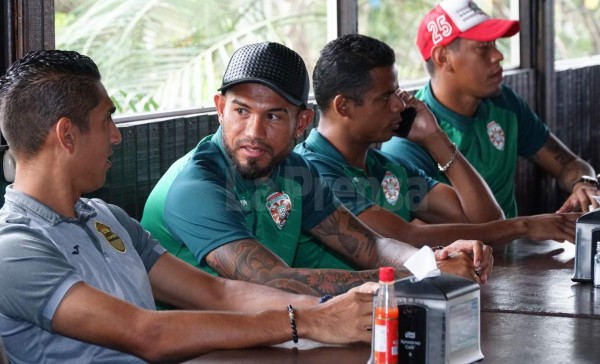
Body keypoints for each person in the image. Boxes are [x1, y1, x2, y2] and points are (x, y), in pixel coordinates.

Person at [0, 49, 381, 363]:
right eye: (106, 120)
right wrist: (305, 322)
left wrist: (331, 311)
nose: (116, 136)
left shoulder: (107, 218)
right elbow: (146, 332)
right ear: (67, 135)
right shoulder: (14, 249)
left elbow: (220, 294)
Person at [141, 41, 493, 298]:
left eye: (274, 116)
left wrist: (432, 260)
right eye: (241, 111)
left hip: (271, 336)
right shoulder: (196, 184)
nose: (253, 132)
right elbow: (269, 280)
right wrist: (420, 276)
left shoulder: (295, 171)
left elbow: (369, 245)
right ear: (220, 108)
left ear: (301, 122)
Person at [293, 34, 578, 269]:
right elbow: (402, 237)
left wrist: (435, 138)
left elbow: (487, 221)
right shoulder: (313, 171)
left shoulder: (386, 167)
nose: (399, 106)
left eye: (397, 92)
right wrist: (525, 226)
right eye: (384, 97)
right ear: (344, 106)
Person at [381, 0, 599, 219]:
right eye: (483, 47)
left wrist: (584, 183)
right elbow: (424, 238)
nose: (498, 55)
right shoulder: (409, 140)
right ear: (443, 58)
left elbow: (569, 164)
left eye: (494, 44)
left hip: (519, 247)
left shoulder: (503, 102)